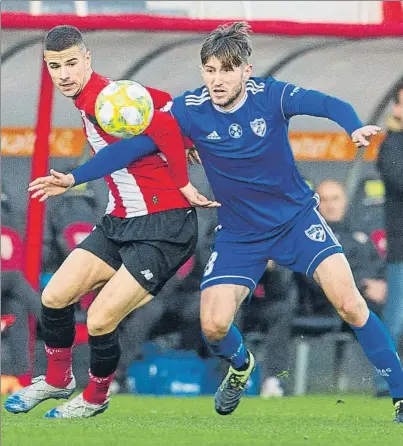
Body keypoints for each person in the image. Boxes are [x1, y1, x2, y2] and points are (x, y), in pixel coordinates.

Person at [25, 22, 403, 422]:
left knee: (350, 303)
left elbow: (327, 104)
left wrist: (353, 125)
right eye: (210, 70)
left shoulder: (271, 96)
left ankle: (398, 392)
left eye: (226, 70)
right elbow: (137, 146)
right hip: (239, 234)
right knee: (214, 325)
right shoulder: (190, 109)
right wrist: (74, 177)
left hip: (295, 222)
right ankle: (241, 368)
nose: (217, 79)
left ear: (246, 71)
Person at [5, 25, 218, 419]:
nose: (64, 73)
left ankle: (96, 396)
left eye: (71, 63)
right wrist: (185, 142)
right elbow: (165, 105)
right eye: (55, 66)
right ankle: (57, 379)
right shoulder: (104, 97)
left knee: (102, 317)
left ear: (87, 60)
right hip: (121, 221)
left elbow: (151, 133)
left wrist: (72, 178)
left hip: (164, 227)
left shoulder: (107, 99)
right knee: (54, 297)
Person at [295, 180, 387, 318]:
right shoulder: (310, 237)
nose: (331, 205)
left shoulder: (359, 234)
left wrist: (386, 284)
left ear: (344, 201)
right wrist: (363, 286)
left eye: (335, 199)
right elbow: (317, 278)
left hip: (374, 296)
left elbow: (379, 264)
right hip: (337, 303)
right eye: (324, 200)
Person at [375, 83, 403, 397]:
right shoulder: (391, 145)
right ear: (396, 109)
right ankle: (384, 384)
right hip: (402, 246)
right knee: (396, 319)